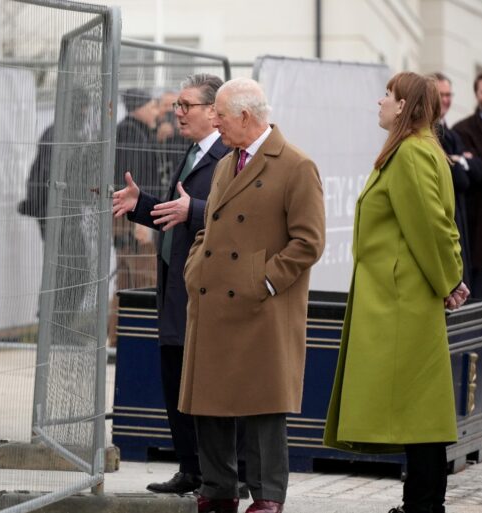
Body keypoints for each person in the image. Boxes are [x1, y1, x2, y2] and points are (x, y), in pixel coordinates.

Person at [324, 71, 469, 513]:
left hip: (401, 300)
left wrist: (450, 281)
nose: (380, 101)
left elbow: (432, 225)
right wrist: (446, 280)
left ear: (404, 105)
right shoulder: (416, 150)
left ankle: (424, 506)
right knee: (415, 411)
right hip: (400, 296)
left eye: (388, 95)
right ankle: (420, 504)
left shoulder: (410, 153)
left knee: (419, 414)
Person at [180, 77, 325, 513]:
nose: (215, 124)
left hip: (262, 306)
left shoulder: (296, 165)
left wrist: (264, 281)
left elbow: (309, 241)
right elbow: (211, 226)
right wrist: (195, 266)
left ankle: (266, 496)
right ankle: (219, 488)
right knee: (211, 401)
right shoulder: (229, 162)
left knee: (263, 407)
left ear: (245, 116)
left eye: (220, 116)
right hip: (213, 301)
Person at [113, 74, 228, 495]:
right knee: (175, 379)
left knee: (199, 387)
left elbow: (231, 217)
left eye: (186, 105)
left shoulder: (229, 155)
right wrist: (140, 205)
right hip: (174, 288)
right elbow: (175, 213)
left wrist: (194, 208)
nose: (176, 112)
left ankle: (213, 477)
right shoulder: (193, 152)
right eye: (176, 105)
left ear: (214, 111)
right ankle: (191, 471)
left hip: (201, 291)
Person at [109, 89, 162, 345]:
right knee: (144, 280)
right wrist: (140, 223)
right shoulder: (131, 134)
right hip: (133, 220)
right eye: (152, 106)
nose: (156, 112)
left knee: (128, 281)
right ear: (139, 107)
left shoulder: (135, 132)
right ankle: (134, 340)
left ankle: (119, 339)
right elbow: (132, 184)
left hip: (130, 218)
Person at [432, 73, 482, 290]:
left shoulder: (452, 133)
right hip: (463, 227)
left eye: (448, 94)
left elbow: (474, 173)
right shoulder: (444, 133)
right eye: (440, 94)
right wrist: (464, 163)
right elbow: (463, 179)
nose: (445, 100)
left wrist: (462, 162)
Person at [454, 73, 482, 296]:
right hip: (476, 233)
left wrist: (472, 162)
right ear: (476, 94)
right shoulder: (462, 130)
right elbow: (465, 176)